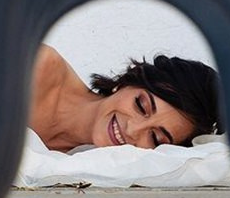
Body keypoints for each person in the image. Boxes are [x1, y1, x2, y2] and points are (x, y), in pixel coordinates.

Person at [28, 48, 219, 152]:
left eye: (155, 138)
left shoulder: (101, 167)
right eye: (140, 105)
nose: (132, 130)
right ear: (127, 82)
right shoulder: (37, 68)